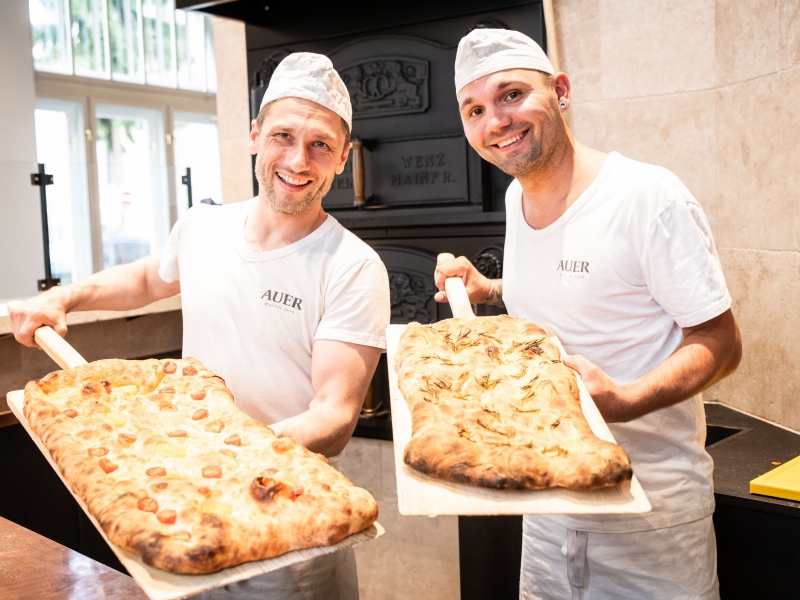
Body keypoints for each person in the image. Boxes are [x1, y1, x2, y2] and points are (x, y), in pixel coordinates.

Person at [10, 52, 390, 600]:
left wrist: (216, 453)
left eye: (320, 145)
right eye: (283, 135)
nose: (299, 160)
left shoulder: (352, 266)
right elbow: (146, 279)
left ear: (343, 158)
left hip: (285, 520)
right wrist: (64, 297)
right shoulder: (202, 226)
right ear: (256, 135)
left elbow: (333, 416)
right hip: (185, 511)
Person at [435, 29, 741, 599]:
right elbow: (584, 286)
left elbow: (720, 341)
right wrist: (489, 289)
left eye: (511, 95)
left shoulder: (647, 196)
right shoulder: (515, 198)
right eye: (475, 109)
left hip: (651, 521)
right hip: (547, 509)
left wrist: (623, 403)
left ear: (562, 91)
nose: (496, 120)